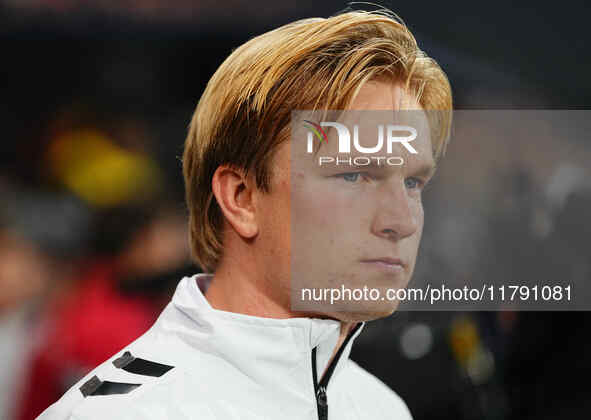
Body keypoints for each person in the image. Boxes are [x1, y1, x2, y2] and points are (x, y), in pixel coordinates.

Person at [38, 8, 452, 420]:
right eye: (353, 176)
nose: (403, 220)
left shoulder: (382, 408)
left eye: (413, 183)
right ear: (241, 197)